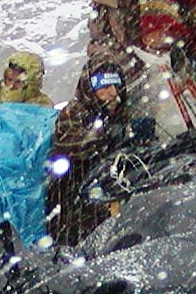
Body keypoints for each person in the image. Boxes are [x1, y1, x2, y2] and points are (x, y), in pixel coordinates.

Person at [46, 65, 141, 245]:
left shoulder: (119, 112)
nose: (113, 93)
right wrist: (107, 136)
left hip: (109, 190)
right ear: (91, 90)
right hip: (73, 200)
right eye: (105, 88)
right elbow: (77, 148)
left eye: (116, 85)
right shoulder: (73, 113)